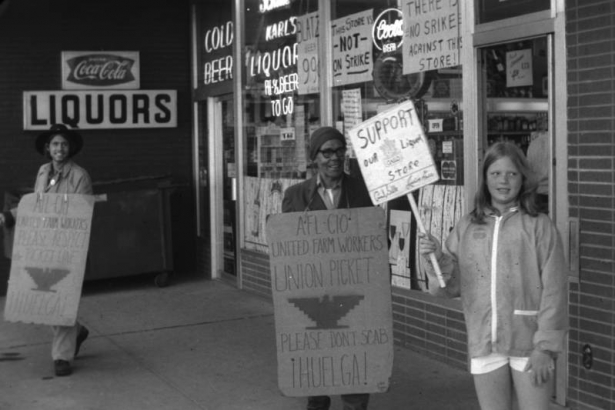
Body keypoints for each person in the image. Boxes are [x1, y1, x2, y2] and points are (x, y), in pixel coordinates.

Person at [418, 142, 568, 410]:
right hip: (484, 341)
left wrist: (545, 347)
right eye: (495, 173)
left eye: (511, 174)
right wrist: (435, 258)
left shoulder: (539, 226)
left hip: (530, 344)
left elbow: (554, 290)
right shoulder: (467, 226)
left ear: (524, 178)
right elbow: (447, 287)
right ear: (485, 179)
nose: (503, 180)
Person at [282, 126, 373, 410]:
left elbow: (375, 240)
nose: (335, 157)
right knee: (317, 371)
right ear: (314, 158)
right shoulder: (295, 196)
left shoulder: (362, 190)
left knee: (355, 367)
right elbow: (288, 251)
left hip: (354, 294)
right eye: (327, 152)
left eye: (340, 150)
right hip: (314, 298)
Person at [0, 124, 92, 377]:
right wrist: (9, 216)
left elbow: (82, 214)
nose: (59, 148)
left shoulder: (80, 176)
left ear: (70, 148)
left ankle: (62, 356)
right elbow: (38, 206)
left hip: (65, 246)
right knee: (45, 298)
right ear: (47, 148)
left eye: (63, 144)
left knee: (59, 297)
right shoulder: (42, 172)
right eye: (54, 144)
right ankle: (77, 330)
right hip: (41, 245)